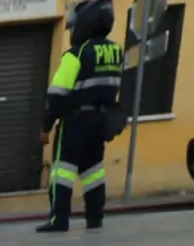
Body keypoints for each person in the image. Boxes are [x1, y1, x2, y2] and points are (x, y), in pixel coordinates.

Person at [38, 0, 121, 233]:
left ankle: (59, 220)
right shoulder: (114, 51)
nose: (72, 32)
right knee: (94, 172)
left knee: (62, 172)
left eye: (74, 27)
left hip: (74, 121)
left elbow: (57, 95)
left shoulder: (76, 54)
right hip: (100, 121)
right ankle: (95, 219)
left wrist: (46, 125)